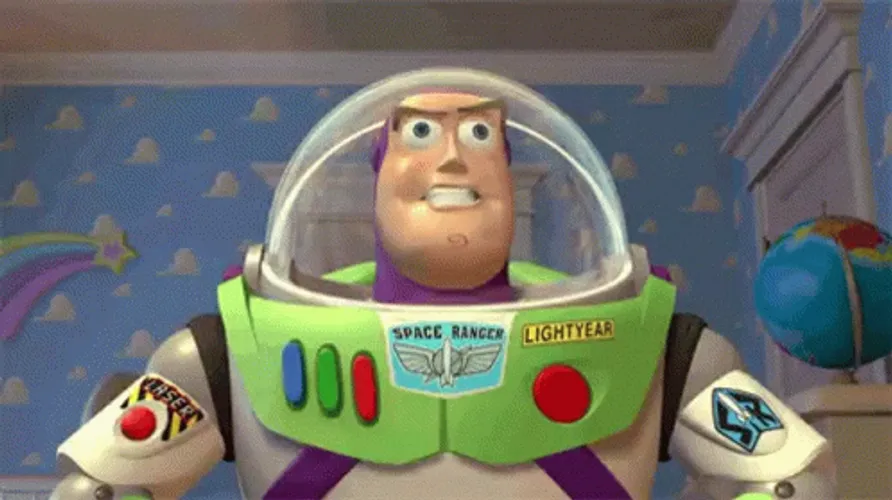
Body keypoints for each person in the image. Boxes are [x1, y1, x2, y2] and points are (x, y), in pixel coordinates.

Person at [51, 68, 834, 500]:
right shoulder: (225, 355)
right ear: (376, 170)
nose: (453, 157)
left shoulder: (663, 353)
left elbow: (794, 481)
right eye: (420, 133)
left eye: (480, 133)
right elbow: (99, 489)